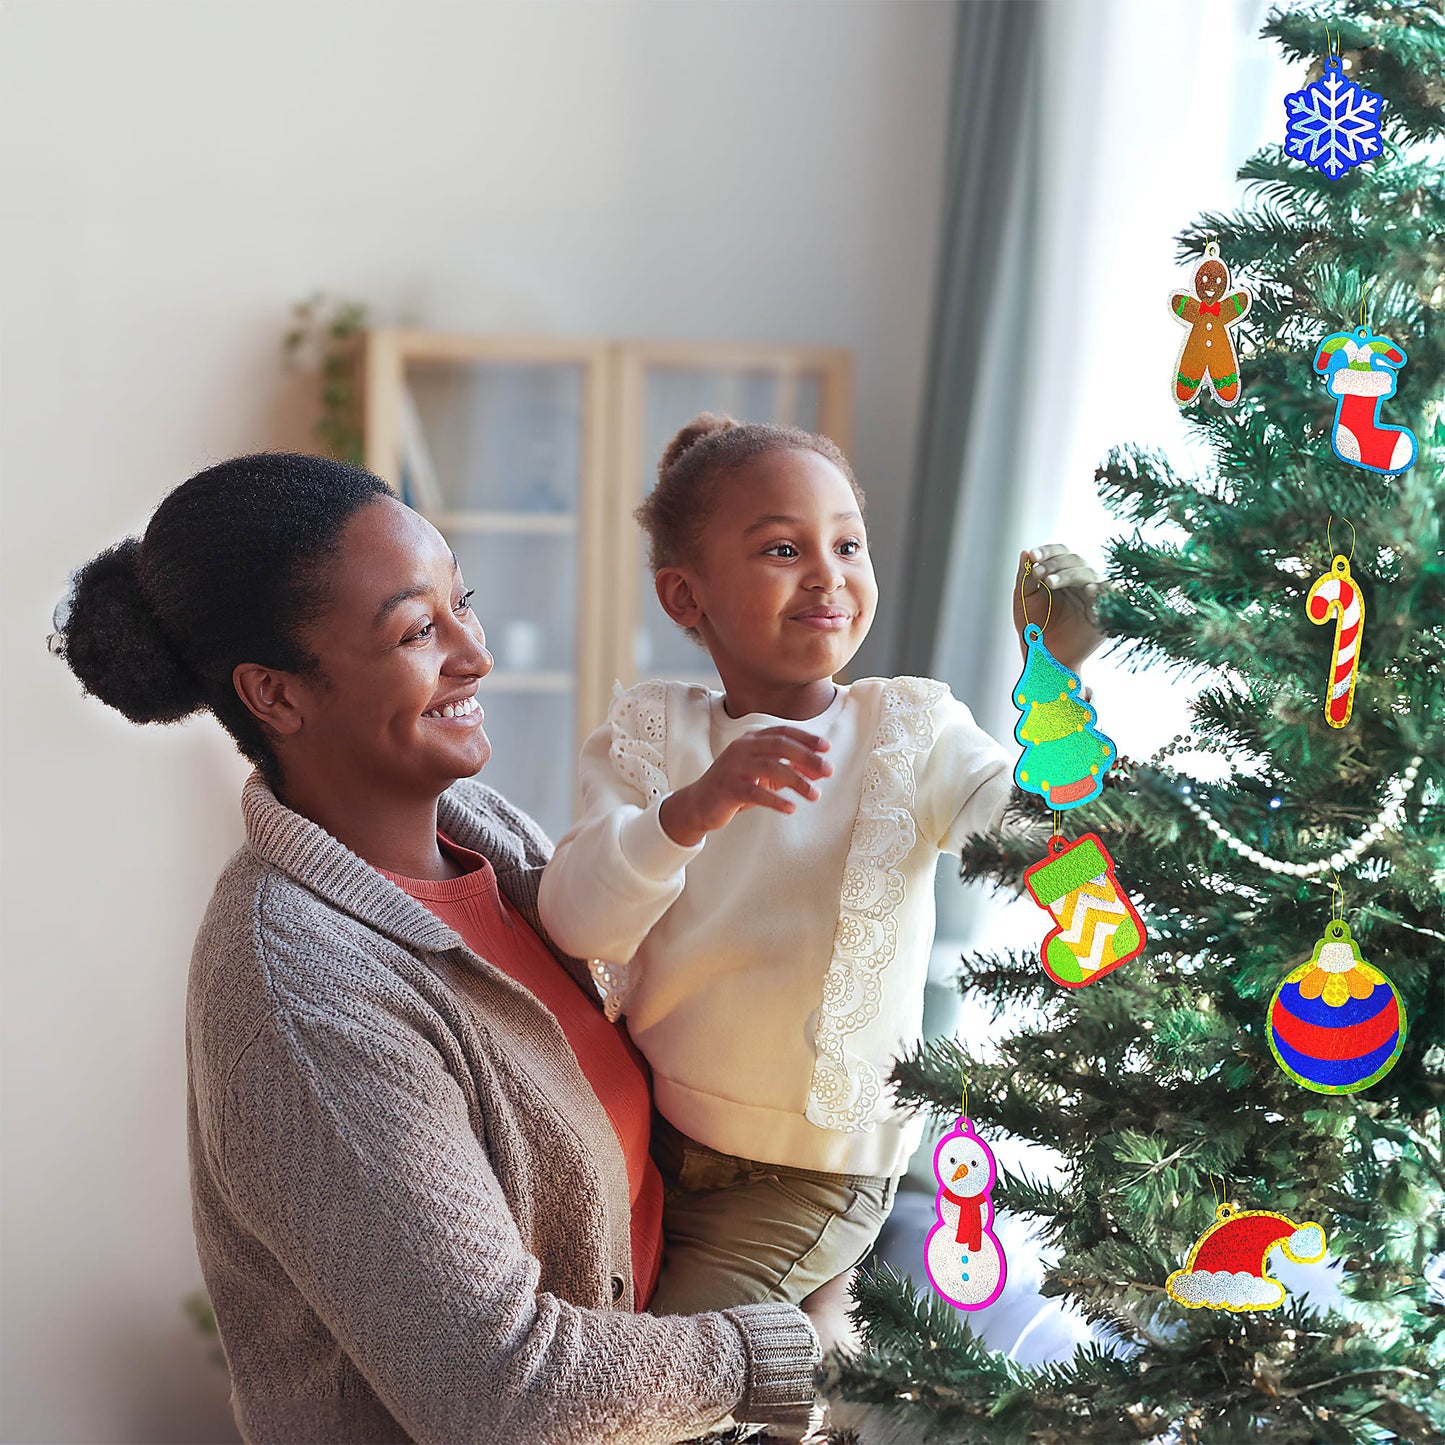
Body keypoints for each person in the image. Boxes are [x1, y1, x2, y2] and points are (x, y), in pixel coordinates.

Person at [51, 452, 823, 1445]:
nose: (475, 653)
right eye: (417, 629)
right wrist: (790, 1351)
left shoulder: (482, 834)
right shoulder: (303, 986)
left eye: (465, 602)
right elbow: (500, 1388)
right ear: (275, 694)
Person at [538, 414, 1102, 1328]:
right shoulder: (648, 734)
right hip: (654, 1135)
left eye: (847, 543)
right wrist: (689, 811)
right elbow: (575, 920)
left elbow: (1021, 825)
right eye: (782, 548)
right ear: (685, 596)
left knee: (671, 1375)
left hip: (812, 1165)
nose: (828, 573)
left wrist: (1057, 691)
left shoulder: (909, 729)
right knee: (639, 1338)